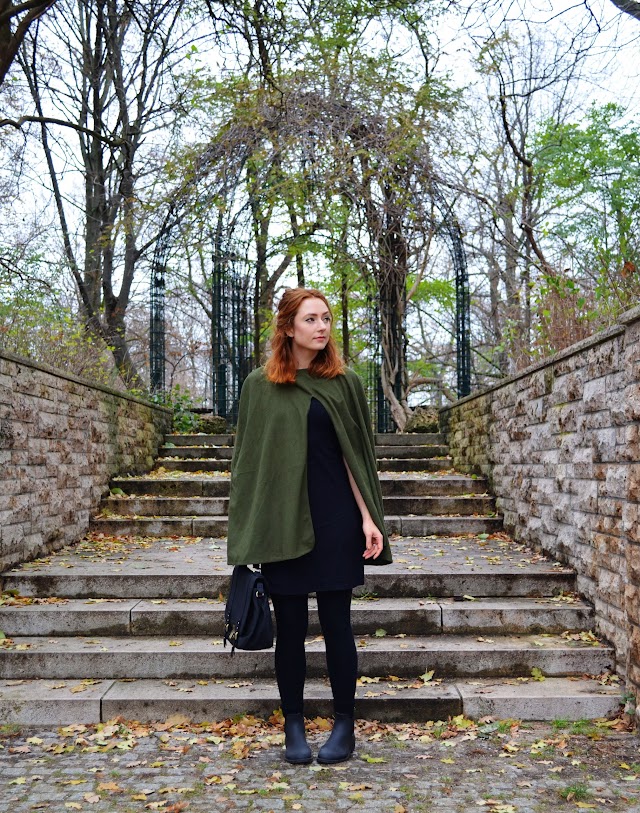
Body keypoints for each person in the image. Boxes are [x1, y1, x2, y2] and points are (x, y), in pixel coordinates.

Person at [226, 287, 392, 765]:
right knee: (292, 626)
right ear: (288, 327)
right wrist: (249, 531)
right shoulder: (259, 386)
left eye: (326, 319)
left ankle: (345, 724)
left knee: (338, 623)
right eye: (311, 319)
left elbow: (355, 457)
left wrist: (368, 518)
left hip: (336, 519)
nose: (321, 327)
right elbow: (248, 465)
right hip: (282, 521)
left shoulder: (344, 382)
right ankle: (293, 725)